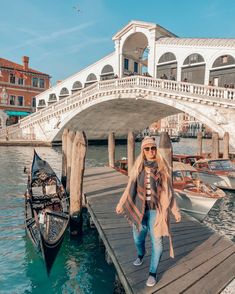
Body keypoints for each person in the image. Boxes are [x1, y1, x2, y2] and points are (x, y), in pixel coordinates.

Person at [116, 136, 181, 287]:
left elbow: (170, 192)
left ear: (156, 150)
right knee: (138, 239)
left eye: (153, 148)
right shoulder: (137, 168)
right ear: (143, 151)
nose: (151, 151)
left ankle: (153, 272)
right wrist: (120, 203)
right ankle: (141, 253)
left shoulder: (163, 169)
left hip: (156, 212)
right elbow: (128, 189)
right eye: (147, 149)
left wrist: (175, 211)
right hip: (138, 209)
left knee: (157, 243)